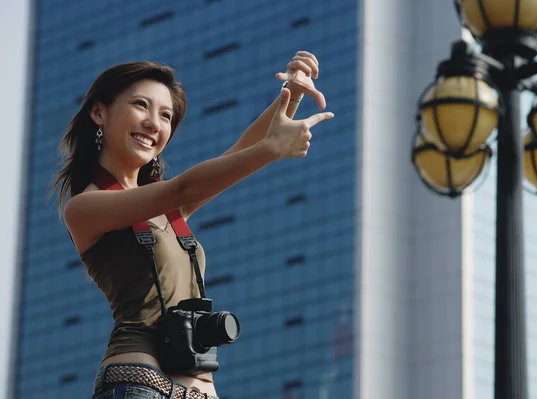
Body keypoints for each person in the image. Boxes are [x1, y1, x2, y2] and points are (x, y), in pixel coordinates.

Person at [51, 51, 334, 399]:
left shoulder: (169, 211)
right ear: (99, 112)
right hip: (140, 384)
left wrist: (290, 97)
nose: (155, 123)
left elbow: (237, 154)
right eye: (141, 105)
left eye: (166, 115)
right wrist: (272, 150)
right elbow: (185, 186)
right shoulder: (85, 207)